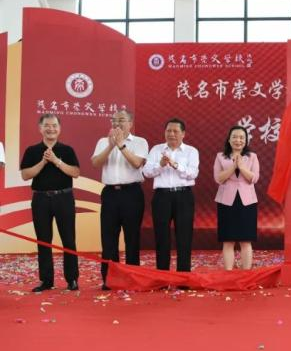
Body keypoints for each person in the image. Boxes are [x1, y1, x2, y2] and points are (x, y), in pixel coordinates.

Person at [20, 114, 80, 292]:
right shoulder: (32, 150)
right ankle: (46, 280)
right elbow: (25, 175)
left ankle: (72, 279)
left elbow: (75, 172)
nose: (51, 129)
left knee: (69, 239)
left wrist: (56, 161)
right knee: (43, 240)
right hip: (40, 199)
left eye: (54, 125)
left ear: (59, 128)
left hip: (64, 198)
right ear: (40, 128)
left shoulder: (67, 150)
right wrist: (43, 161)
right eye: (47, 125)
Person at [91, 110, 148, 290]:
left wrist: (121, 145)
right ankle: (110, 278)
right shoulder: (102, 141)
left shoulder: (139, 142)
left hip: (132, 193)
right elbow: (96, 163)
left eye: (121, 120)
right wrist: (110, 145)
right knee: (108, 238)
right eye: (114, 120)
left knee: (132, 237)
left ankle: (133, 278)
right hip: (110, 194)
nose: (117, 124)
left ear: (130, 123)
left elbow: (137, 163)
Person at [142, 118, 199, 275]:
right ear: (164, 132)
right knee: (162, 237)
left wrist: (175, 165)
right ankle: (162, 275)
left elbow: (193, 173)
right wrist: (160, 164)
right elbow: (146, 172)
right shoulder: (156, 150)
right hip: (162, 197)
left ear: (183, 134)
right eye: (168, 131)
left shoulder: (191, 151)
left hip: (184, 196)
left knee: (184, 237)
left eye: (175, 131)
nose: (171, 134)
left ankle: (183, 276)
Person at [213, 126, 260, 270]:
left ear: (246, 141)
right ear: (229, 139)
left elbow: (254, 178)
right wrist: (233, 167)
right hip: (226, 201)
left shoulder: (252, 157)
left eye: (241, 137)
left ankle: (246, 273)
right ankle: (228, 273)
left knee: (246, 241)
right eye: (234, 137)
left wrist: (241, 166)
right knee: (228, 241)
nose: (238, 140)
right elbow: (218, 178)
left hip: (247, 202)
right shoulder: (220, 156)